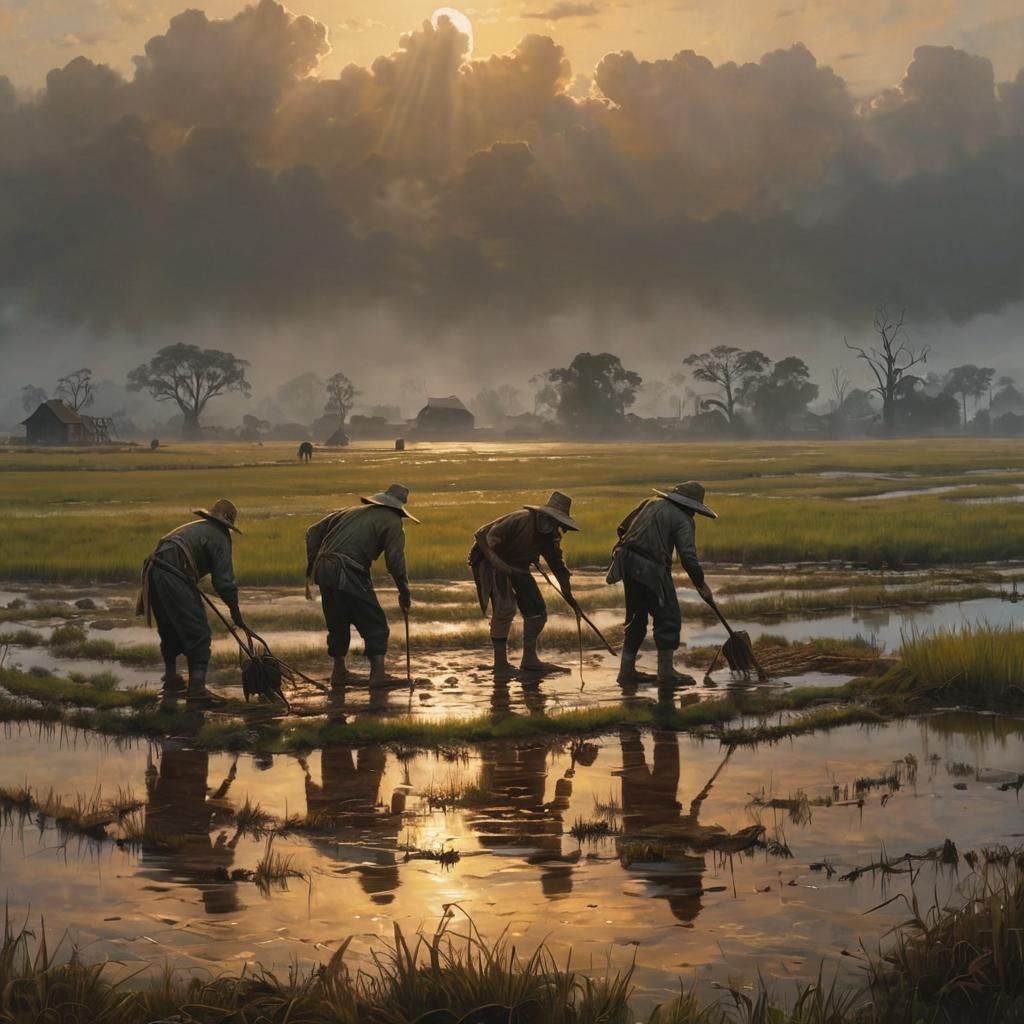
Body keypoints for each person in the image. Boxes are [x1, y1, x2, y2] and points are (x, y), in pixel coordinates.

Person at [137, 498, 247, 706]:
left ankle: (171, 679)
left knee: (169, 627)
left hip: (155, 570)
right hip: (173, 572)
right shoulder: (220, 537)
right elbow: (224, 582)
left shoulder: (197, 528)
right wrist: (235, 609)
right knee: (199, 633)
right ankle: (196, 690)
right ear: (228, 523)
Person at [305, 483, 417, 689]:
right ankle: (377, 675)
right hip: (347, 570)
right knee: (375, 623)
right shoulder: (393, 522)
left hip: (324, 571)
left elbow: (312, 532)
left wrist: (313, 564)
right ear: (398, 508)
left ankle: (339, 672)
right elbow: (395, 560)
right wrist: (404, 591)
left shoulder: (349, 512)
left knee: (337, 621)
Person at [607, 481, 716, 685]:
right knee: (669, 617)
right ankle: (666, 673)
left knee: (636, 618)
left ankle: (626, 672)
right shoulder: (684, 520)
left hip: (626, 561)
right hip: (650, 567)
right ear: (691, 506)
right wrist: (701, 584)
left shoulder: (650, 503)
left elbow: (621, 528)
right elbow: (688, 557)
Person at [469, 491, 580, 676]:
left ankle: (530, 659)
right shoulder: (519, 521)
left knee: (537, 612)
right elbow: (486, 544)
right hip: (491, 560)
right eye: (554, 522)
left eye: (559, 525)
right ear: (544, 517)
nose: (557, 529)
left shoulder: (551, 538)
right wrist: (502, 567)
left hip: (518, 566)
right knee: (504, 608)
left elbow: (559, 568)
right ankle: (500, 664)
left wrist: (570, 598)